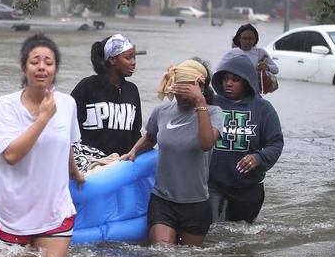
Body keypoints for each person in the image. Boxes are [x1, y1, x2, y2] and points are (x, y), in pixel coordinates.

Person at [0, 34, 85, 257]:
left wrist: (75, 173)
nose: (41, 67)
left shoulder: (67, 104)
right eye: (35, 61)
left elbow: (66, 144)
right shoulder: (6, 106)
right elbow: (11, 155)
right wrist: (43, 118)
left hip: (55, 209)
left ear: (55, 69)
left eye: (48, 62)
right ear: (24, 68)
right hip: (13, 212)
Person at [122, 58, 223, 246]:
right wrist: (133, 151)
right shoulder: (162, 111)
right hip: (163, 200)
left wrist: (200, 101)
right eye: (178, 90)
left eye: (187, 90)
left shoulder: (214, 112)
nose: (182, 96)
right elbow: (150, 137)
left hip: (196, 203)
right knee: (162, 255)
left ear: (200, 86)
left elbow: (207, 143)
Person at [208, 54, 284, 224]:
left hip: (249, 188)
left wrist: (259, 158)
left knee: (241, 238)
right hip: (213, 185)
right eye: (225, 79)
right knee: (214, 232)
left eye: (235, 79)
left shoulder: (263, 108)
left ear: (247, 81)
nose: (228, 83)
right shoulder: (211, 104)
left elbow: (276, 143)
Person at [71, 34, 142, 158]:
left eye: (134, 57)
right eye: (128, 58)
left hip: (121, 166)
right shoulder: (87, 87)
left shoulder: (132, 91)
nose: (133, 62)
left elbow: (135, 133)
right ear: (112, 59)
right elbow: (69, 126)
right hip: (90, 164)